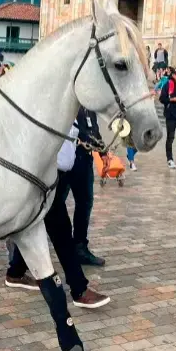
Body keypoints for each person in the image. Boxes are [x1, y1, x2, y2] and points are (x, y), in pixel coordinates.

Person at [5, 132, 111, 308]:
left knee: (36, 228)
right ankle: (79, 290)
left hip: (55, 177)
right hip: (44, 178)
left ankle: (15, 272)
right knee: (61, 233)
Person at [64, 108, 106, 266]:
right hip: (65, 160)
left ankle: (80, 247)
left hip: (84, 160)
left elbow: (94, 130)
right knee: (54, 207)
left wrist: (103, 153)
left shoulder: (90, 106)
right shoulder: (69, 99)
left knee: (85, 203)